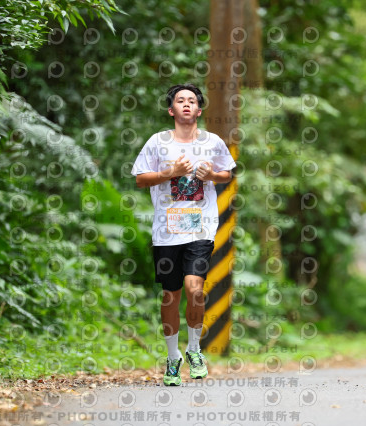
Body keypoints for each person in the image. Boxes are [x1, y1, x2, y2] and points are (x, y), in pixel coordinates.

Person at [131, 83, 236, 386]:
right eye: (181, 100)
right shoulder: (157, 142)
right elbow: (141, 179)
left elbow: (226, 173)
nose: (187, 104)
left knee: (195, 289)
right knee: (170, 295)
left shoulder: (212, 141)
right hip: (167, 231)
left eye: (192, 100)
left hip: (201, 227)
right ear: (171, 110)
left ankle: (194, 349)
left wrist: (211, 175)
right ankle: (173, 357)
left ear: (199, 110)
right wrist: (171, 173)